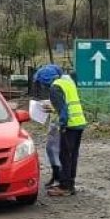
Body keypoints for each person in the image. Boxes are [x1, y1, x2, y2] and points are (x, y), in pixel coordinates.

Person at [38, 65, 86, 197]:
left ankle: (65, 186)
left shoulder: (55, 88)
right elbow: (69, 104)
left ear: (45, 80)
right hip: (79, 122)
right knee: (73, 155)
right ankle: (70, 184)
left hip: (69, 125)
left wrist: (62, 124)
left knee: (65, 155)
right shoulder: (67, 82)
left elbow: (63, 110)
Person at [32, 65, 64, 187]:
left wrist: (51, 108)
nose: (43, 86)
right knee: (51, 149)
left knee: (56, 150)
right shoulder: (56, 86)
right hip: (56, 122)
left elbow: (62, 107)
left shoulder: (57, 87)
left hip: (61, 124)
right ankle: (56, 176)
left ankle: (59, 178)